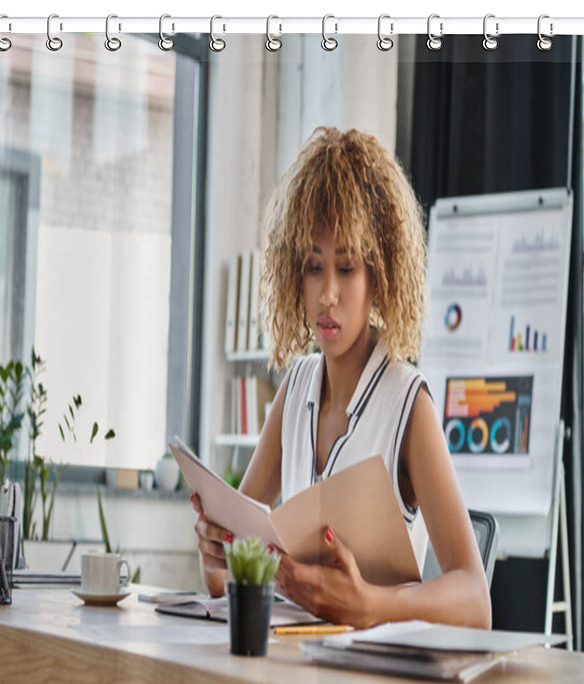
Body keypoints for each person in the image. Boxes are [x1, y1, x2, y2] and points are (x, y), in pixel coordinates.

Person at [193, 127, 491, 630]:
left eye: (347, 268)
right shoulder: (294, 391)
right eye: (313, 267)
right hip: (295, 680)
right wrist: (214, 553)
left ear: (380, 276)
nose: (327, 294)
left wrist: (373, 605)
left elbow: (476, 602)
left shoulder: (407, 404)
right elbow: (228, 581)